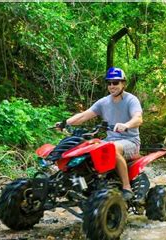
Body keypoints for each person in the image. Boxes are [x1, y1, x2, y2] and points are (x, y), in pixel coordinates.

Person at [56, 67, 142, 201]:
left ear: (123, 84)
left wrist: (126, 125)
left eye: (116, 82)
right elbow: (84, 115)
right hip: (109, 140)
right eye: (109, 83)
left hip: (130, 141)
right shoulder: (104, 102)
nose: (112, 86)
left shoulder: (131, 100)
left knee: (112, 148)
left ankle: (126, 187)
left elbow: (138, 118)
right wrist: (65, 122)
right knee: (85, 148)